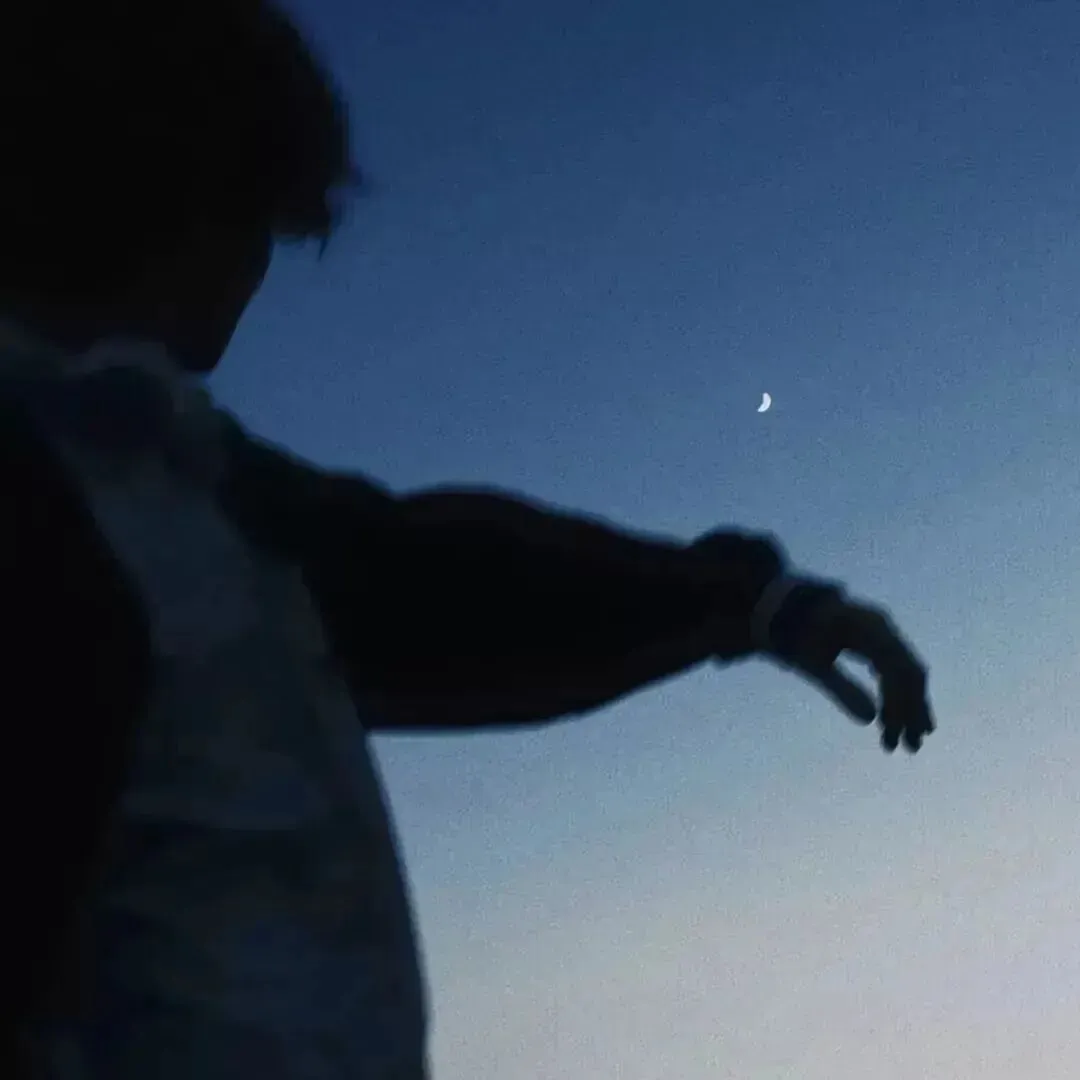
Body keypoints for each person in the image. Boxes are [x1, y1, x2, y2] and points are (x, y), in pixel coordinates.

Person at [0, 2, 936, 1078]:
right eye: (257, 220)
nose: (254, 275)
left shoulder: (189, 482)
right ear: (178, 188)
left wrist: (762, 605)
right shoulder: (56, 489)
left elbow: (456, 582)